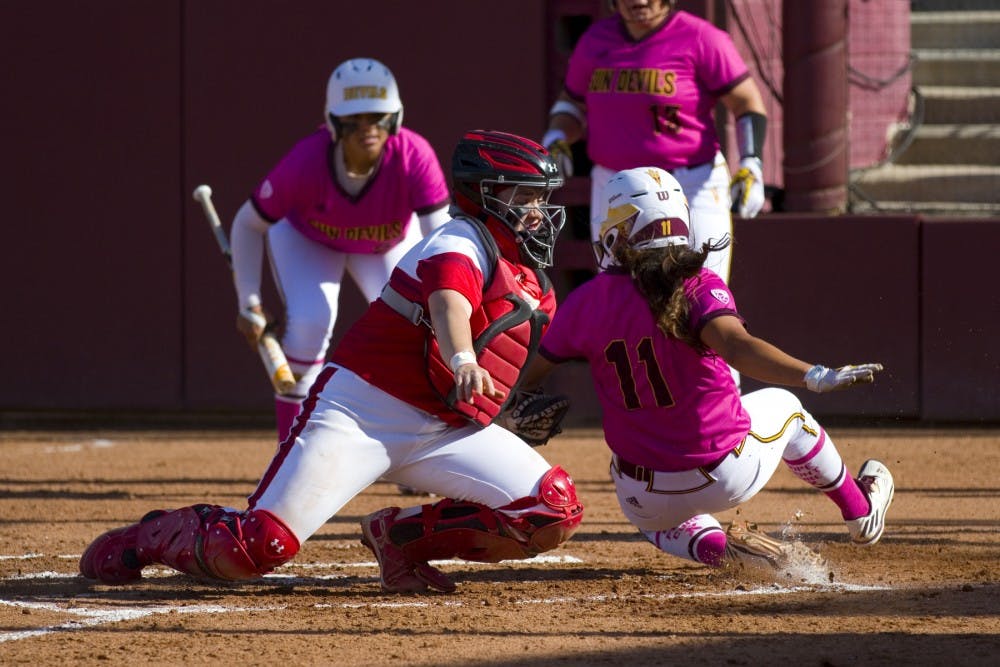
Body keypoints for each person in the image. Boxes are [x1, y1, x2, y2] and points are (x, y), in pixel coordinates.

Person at [79, 131, 584, 594]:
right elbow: (449, 302)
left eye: (540, 198)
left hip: (445, 427)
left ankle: (400, 537)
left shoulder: (532, 282)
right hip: (361, 412)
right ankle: (147, 537)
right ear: (481, 196)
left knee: (551, 508)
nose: (537, 211)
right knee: (254, 548)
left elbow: (481, 366)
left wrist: (503, 408)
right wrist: (463, 355)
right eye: (522, 197)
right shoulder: (458, 241)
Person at [519, 166, 894, 571]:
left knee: (651, 515)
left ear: (618, 231)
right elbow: (737, 346)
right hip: (728, 472)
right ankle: (859, 510)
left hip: (643, 495)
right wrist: (814, 375)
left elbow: (530, 376)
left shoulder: (585, 302)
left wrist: (508, 412)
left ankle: (720, 549)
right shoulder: (696, 283)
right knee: (788, 407)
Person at [230, 57, 451, 441]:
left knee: (417, 330)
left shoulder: (415, 156)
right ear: (334, 123)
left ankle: (414, 450)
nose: (367, 128)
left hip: (387, 244)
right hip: (310, 240)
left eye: (378, 117)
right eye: (354, 120)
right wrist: (249, 302)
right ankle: (293, 449)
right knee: (311, 322)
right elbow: (247, 223)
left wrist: (451, 301)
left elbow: (443, 240)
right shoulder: (305, 162)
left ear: (394, 118)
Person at [542, 0, 768, 283]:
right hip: (615, 184)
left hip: (691, 183)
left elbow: (747, 102)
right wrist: (557, 136)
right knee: (620, 289)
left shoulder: (701, 37)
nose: (639, 1)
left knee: (701, 287)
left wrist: (751, 162)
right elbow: (572, 102)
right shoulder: (596, 40)